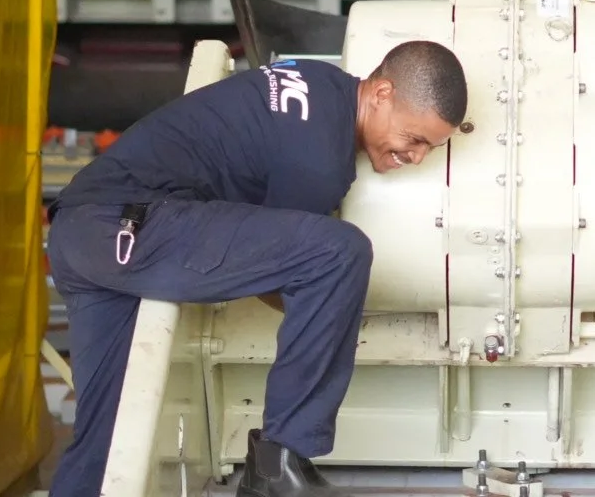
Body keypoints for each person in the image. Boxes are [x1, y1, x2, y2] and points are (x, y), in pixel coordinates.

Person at [46, 41, 469, 497]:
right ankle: (279, 461)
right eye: (415, 138)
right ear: (382, 93)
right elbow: (295, 277)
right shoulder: (320, 158)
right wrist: (333, 318)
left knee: (107, 440)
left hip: (83, 232)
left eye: (431, 146)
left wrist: (323, 315)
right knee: (339, 253)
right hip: (131, 225)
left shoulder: (318, 84)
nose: (417, 156)